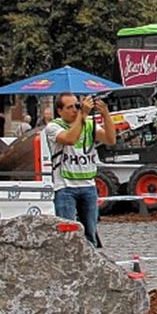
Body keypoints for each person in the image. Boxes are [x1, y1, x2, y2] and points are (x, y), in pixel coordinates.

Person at [45, 93, 116, 246]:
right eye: (69, 107)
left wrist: (105, 114)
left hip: (88, 185)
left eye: (76, 106)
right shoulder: (53, 127)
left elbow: (110, 139)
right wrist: (82, 115)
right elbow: (70, 139)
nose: (74, 110)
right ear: (59, 111)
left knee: (90, 233)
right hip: (65, 187)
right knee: (67, 235)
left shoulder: (88, 124)